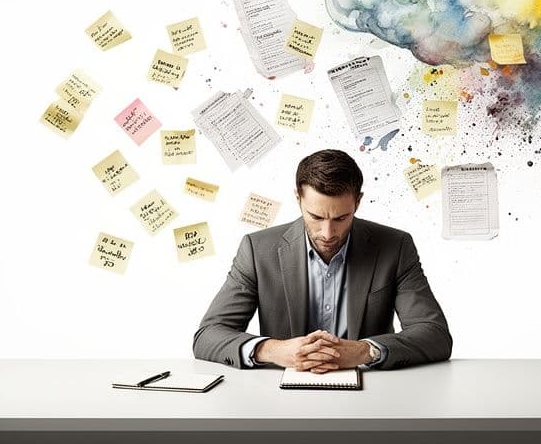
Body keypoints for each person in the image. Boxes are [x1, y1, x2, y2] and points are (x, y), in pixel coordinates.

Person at [193, 149, 452, 372]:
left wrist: (364, 351)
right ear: (298, 199)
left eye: (340, 218)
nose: (328, 233)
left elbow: (435, 335)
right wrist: (273, 350)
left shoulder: (395, 247)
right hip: (280, 397)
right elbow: (208, 335)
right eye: (316, 217)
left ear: (358, 202)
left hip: (371, 396)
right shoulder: (257, 249)